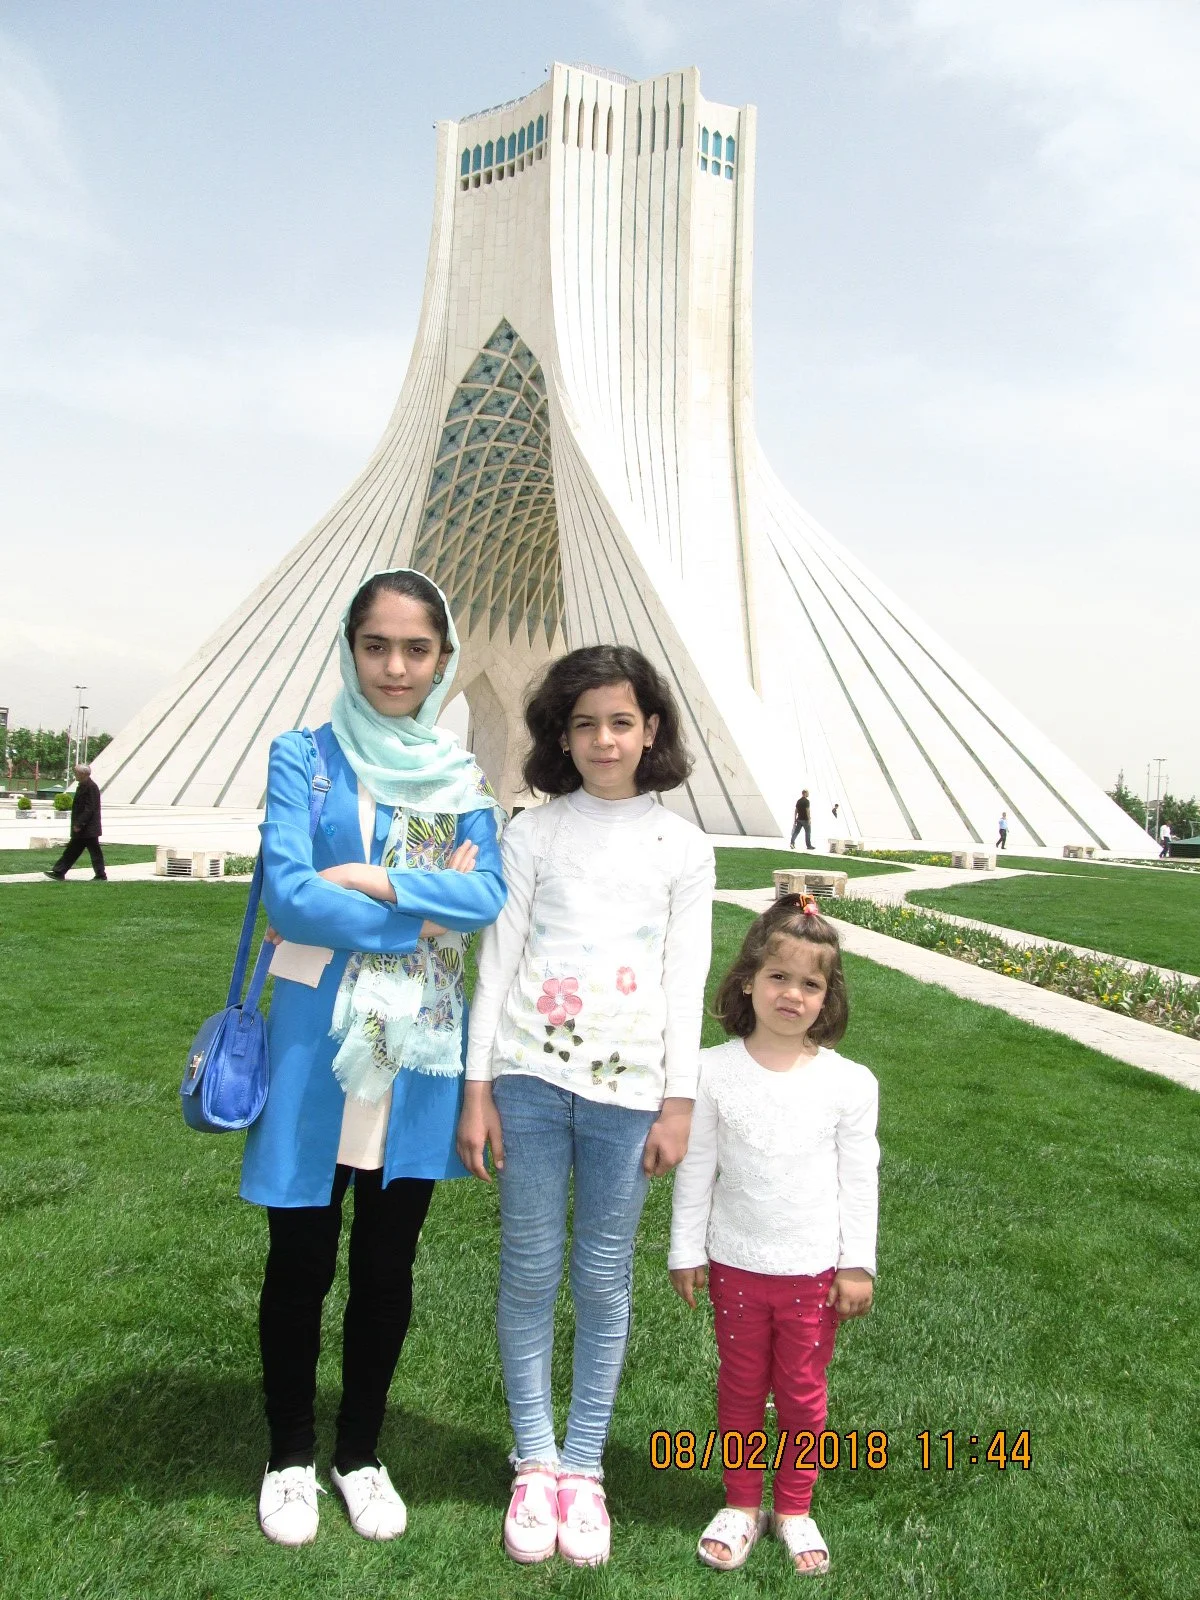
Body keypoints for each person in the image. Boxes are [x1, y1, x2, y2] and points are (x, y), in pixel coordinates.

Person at [241, 569, 506, 1549]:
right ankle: (289, 1454)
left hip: (415, 1053)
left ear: (442, 659)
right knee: (300, 1260)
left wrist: (364, 876)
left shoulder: (455, 773)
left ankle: (359, 1452)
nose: (396, 667)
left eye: (417, 649)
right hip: (320, 1049)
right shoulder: (304, 758)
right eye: (376, 646)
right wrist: (409, 905)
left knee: (387, 1265)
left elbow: (485, 899)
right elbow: (291, 899)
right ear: (350, 650)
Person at [457, 644, 715, 1567]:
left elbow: (685, 986)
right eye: (584, 723)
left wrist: (677, 1102)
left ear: (652, 731)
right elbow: (499, 965)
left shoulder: (683, 848)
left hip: (629, 1093)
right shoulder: (533, 832)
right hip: (528, 1078)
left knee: (604, 1281)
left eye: (622, 722)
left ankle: (584, 1466)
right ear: (561, 736)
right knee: (529, 1271)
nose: (604, 739)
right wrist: (477, 1087)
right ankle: (533, 1461)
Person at [669, 895, 878, 1577]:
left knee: (800, 1395)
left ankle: (792, 1506)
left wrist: (857, 1265)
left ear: (829, 997)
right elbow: (696, 1167)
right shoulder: (711, 1070)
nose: (792, 994)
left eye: (810, 983)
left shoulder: (851, 1084)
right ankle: (739, 1502)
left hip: (815, 1275)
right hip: (735, 1266)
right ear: (748, 982)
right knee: (739, 1389)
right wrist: (686, 1251)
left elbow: (858, 1181)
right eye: (778, 977)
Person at [44, 763, 106, 880]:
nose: (75, 775)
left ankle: (100, 875)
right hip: (84, 829)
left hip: (88, 828)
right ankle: (59, 872)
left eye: (76, 772)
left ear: (83, 774)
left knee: (93, 852)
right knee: (72, 851)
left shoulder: (91, 787)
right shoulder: (83, 785)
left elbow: (90, 808)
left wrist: (79, 824)